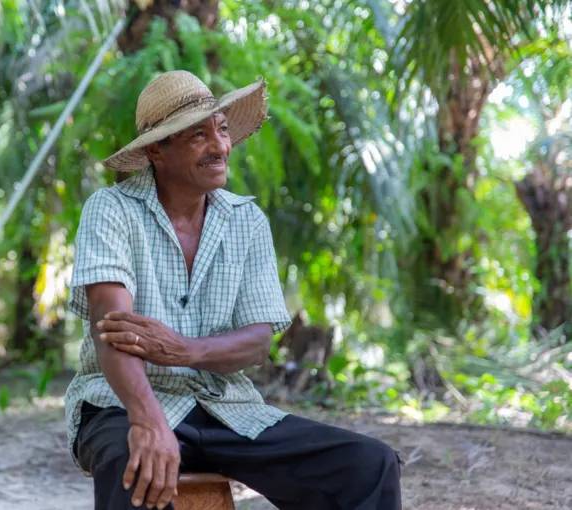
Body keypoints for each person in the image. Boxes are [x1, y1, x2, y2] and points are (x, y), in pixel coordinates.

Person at [64, 70, 402, 510]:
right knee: (134, 462)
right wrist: (147, 420)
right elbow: (114, 332)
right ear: (155, 150)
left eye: (221, 129)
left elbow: (257, 343)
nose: (220, 147)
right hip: (122, 403)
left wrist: (183, 350)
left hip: (227, 408)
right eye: (198, 135)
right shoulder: (112, 210)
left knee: (368, 465)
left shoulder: (247, 221)